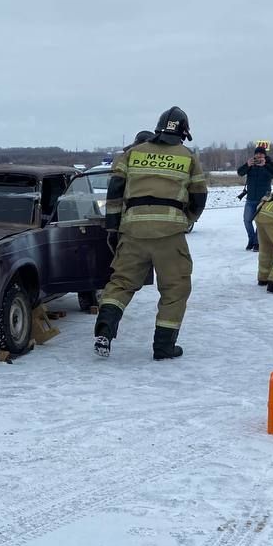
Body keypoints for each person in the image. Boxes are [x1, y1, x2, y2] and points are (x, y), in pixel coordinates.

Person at [94, 107, 209, 360]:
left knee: (121, 283)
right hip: (170, 234)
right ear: (183, 133)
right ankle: (163, 346)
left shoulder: (132, 153)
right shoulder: (187, 156)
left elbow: (114, 192)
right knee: (175, 288)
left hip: (133, 230)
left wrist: (113, 227)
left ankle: (105, 327)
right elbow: (199, 195)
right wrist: (187, 218)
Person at [236, 141, 273, 251]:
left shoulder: (269, 165)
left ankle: (257, 243)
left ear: (264, 155)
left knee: (259, 222)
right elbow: (240, 172)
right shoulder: (251, 164)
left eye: (261, 154)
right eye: (257, 153)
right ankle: (252, 240)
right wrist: (247, 165)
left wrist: (265, 165)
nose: (258, 155)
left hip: (263, 199)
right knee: (247, 220)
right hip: (250, 198)